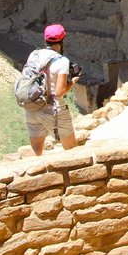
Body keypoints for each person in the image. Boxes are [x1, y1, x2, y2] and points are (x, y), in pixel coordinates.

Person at [24, 24, 80, 156]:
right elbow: (59, 92)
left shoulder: (34, 55)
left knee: (35, 152)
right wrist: (72, 82)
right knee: (72, 150)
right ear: (61, 41)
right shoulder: (62, 61)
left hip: (32, 106)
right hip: (53, 110)